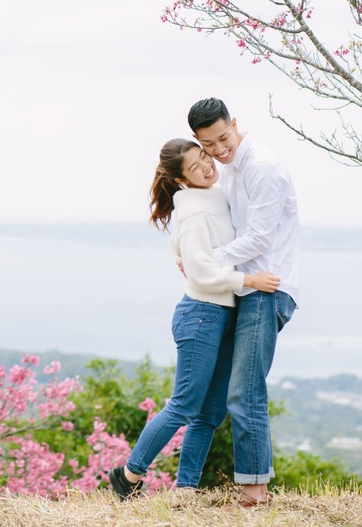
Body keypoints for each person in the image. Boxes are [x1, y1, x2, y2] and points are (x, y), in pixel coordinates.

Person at [107, 138, 280, 500]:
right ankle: (128, 475)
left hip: (223, 315)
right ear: (182, 180)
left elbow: (201, 253)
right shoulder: (195, 211)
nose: (206, 166)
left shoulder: (215, 197)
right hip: (201, 315)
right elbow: (201, 272)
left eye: (204, 156)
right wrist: (249, 281)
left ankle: (186, 489)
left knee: (210, 413)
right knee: (185, 404)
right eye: (194, 167)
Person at [188, 97, 300, 508]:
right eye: (209, 144)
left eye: (224, 138)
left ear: (234, 123)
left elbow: (259, 239)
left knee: (244, 390)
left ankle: (254, 493)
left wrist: (205, 260)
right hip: (246, 288)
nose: (219, 149)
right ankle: (239, 487)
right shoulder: (231, 172)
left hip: (267, 289)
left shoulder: (261, 167)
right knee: (225, 390)